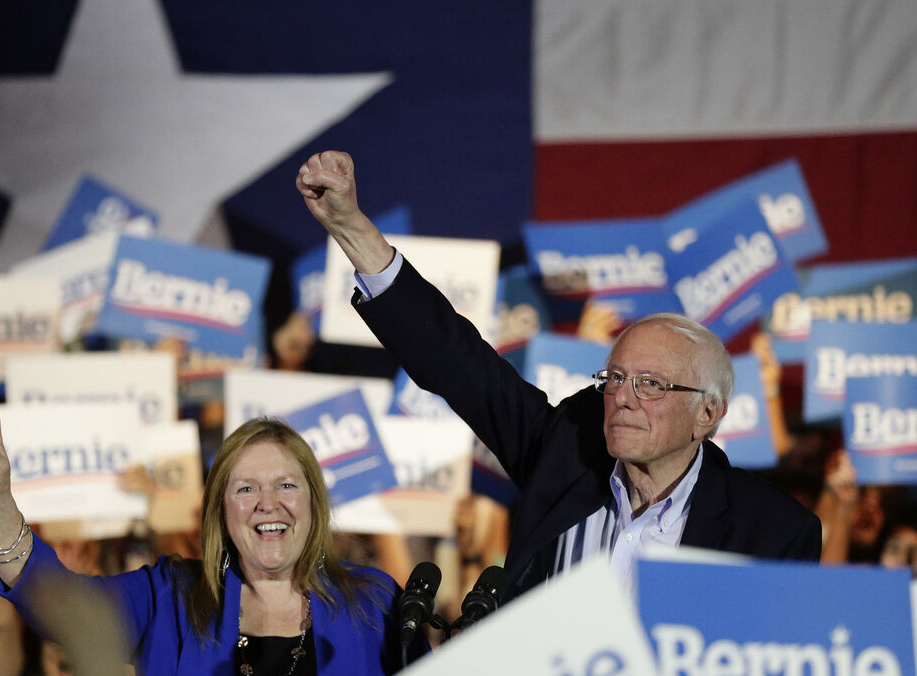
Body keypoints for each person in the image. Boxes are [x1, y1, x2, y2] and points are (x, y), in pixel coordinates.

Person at [296, 151, 821, 599]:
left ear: (707, 413)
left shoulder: (772, 531)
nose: (623, 397)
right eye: (615, 378)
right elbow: (455, 361)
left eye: (651, 384)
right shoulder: (565, 457)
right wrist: (352, 228)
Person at [0, 389, 415, 676]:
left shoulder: (374, 604)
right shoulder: (170, 597)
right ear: (220, 511)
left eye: (286, 485)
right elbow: (60, 605)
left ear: (313, 500)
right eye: (246, 489)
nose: (267, 503)